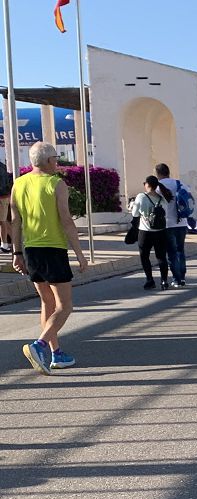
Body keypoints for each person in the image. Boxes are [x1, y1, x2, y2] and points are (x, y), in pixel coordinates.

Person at [11, 141, 89, 374]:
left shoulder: (19, 183)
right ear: (47, 161)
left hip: (31, 249)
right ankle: (39, 345)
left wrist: (16, 252)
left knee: (47, 302)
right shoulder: (56, 183)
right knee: (65, 306)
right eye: (55, 158)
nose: (58, 162)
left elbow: (16, 221)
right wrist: (79, 254)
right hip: (53, 249)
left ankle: (56, 354)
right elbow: (66, 220)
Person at [129, 175, 173, 291]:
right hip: (161, 231)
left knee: (144, 256)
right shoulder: (162, 198)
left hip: (145, 231)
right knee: (161, 257)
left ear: (147, 185)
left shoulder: (141, 196)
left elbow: (135, 214)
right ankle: (164, 281)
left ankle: (150, 280)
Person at [155, 163, 190, 287]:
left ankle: (176, 279)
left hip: (168, 224)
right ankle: (183, 277)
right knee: (181, 251)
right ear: (168, 172)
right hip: (182, 222)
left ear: (158, 174)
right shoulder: (180, 184)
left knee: (172, 253)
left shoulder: (158, 187)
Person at [0, 160, 13, 254]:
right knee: (3, 221)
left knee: (2, 222)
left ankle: (4, 244)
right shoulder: (3, 166)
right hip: (5, 196)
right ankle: (15, 243)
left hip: (1, 196)